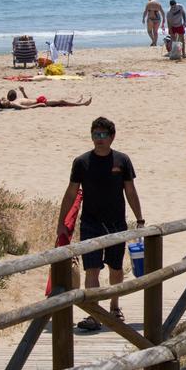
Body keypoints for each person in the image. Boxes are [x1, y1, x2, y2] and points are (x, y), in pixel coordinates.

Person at [59, 117, 144, 330]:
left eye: (103, 135)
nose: (99, 139)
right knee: (92, 269)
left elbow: (130, 191)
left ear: (112, 137)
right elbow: (70, 193)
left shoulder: (122, 161)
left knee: (115, 268)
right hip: (90, 223)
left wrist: (140, 218)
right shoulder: (81, 162)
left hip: (116, 223)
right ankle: (94, 314)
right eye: (95, 135)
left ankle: (115, 307)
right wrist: (61, 222)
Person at [0, 88, 92, 109]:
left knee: (60, 102)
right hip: (40, 102)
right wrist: (39, 105)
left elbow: (27, 100)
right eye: (4, 101)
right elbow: (25, 107)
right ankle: (82, 104)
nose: (5, 99)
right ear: (5, 105)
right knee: (61, 101)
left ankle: (77, 102)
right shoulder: (14, 104)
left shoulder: (13, 101)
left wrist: (23, 91)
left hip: (38, 100)